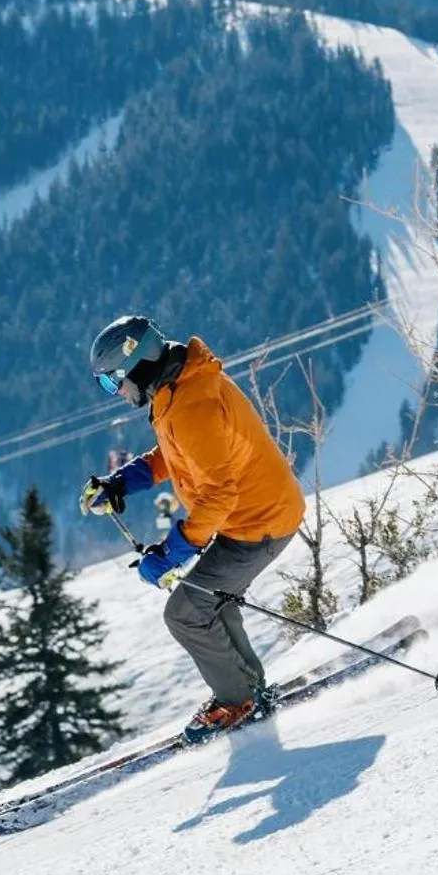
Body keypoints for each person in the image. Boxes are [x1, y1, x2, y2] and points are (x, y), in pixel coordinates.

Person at [80, 315, 305, 744]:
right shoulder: (179, 387)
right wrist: (122, 482)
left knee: (185, 612)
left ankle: (238, 701)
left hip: (259, 521)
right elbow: (177, 452)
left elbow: (219, 495)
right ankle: (245, 691)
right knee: (210, 601)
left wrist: (172, 553)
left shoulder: (191, 404)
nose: (115, 393)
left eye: (112, 382)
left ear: (136, 365)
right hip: (256, 513)